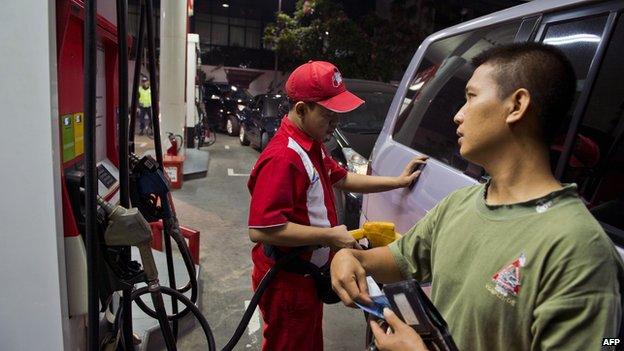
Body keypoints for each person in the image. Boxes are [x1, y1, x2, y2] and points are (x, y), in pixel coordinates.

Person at [330, 42, 624, 351]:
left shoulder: (579, 250)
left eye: (471, 97)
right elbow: (398, 258)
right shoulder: (461, 204)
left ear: (516, 105)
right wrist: (351, 257)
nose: (457, 116)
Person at [247, 60, 427, 351]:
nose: (335, 124)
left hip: (303, 276)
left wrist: (398, 181)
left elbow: (343, 179)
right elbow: (263, 230)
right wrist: (330, 236)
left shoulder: (311, 142)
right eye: (329, 116)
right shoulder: (284, 157)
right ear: (302, 109)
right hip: (286, 281)